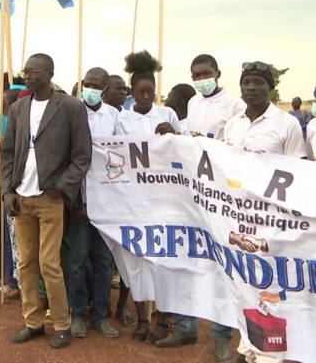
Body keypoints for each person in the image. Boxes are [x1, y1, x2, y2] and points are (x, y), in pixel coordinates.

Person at [2, 53, 92, 349]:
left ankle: (62, 324)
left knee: (49, 263)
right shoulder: (17, 108)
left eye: (34, 71)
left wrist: (61, 188)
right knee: (25, 263)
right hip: (20, 198)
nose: (27, 75)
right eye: (25, 71)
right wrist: (7, 191)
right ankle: (33, 321)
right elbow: (10, 154)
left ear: (50, 73)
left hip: (50, 198)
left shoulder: (70, 107)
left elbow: (82, 156)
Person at [223, 62, 307, 363]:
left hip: (273, 221)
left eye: (258, 82)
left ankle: (275, 353)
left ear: (270, 87)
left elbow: (297, 173)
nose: (251, 87)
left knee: (273, 284)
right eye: (246, 82)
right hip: (237, 216)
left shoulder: (287, 124)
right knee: (243, 280)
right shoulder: (233, 124)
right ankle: (249, 347)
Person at [179, 53, 246, 359]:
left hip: (221, 194)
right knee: (189, 256)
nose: (200, 80)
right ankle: (186, 327)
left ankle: (221, 334)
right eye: (196, 75)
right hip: (193, 190)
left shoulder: (235, 106)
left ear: (218, 73)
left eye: (205, 74)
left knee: (222, 263)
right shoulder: (193, 103)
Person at [114, 51, 182, 345]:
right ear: (132, 92)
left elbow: (182, 157)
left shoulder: (167, 115)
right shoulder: (122, 118)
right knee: (137, 260)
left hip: (164, 200)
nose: (146, 96)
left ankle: (164, 318)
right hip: (134, 200)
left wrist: (174, 136)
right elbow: (116, 155)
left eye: (151, 91)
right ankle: (142, 318)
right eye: (140, 91)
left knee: (164, 261)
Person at [67, 67, 120, 340]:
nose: (90, 88)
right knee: (76, 261)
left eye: (96, 85)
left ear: (105, 89)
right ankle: (78, 314)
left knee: (103, 262)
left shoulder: (114, 116)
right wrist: (76, 202)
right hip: (80, 203)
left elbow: (123, 153)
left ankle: (100, 316)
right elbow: (67, 157)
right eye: (87, 83)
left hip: (107, 205)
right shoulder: (72, 112)